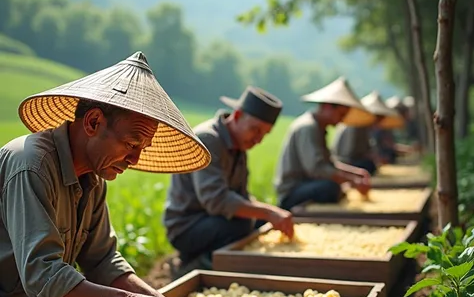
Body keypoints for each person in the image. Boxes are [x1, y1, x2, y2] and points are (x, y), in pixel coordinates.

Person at [0, 52, 211, 297]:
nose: (135, 159)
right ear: (94, 122)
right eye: (132, 143)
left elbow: (101, 260)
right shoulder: (31, 165)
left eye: (142, 148)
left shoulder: (94, 178)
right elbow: (43, 277)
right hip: (13, 296)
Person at [164, 86, 294, 272]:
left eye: (264, 134)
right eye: (255, 130)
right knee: (243, 223)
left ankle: (217, 256)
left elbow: (241, 196)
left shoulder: (239, 145)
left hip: (212, 220)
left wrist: (268, 214)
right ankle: (197, 265)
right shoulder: (208, 139)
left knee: (259, 222)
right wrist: (268, 211)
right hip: (187, 227)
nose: (258, 140)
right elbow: (216, 200)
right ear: (238, 115)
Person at [274, 77, 375, 211]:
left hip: (309, 184)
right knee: (330, 188)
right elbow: (316, 169)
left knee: (336, 185)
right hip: (293, 190)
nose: (341, 120)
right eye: (340, 114)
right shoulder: (307, 127)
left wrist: (357, 173)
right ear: (327, 106)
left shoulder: (320, 129)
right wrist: (351, 180)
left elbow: (329, 164)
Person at [332, 91, 405, 175]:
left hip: (355, 161)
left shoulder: (365, 129)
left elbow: (368, 149)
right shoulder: (354, 127)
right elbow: (346, 155)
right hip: (346, 162)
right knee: (368, 165)